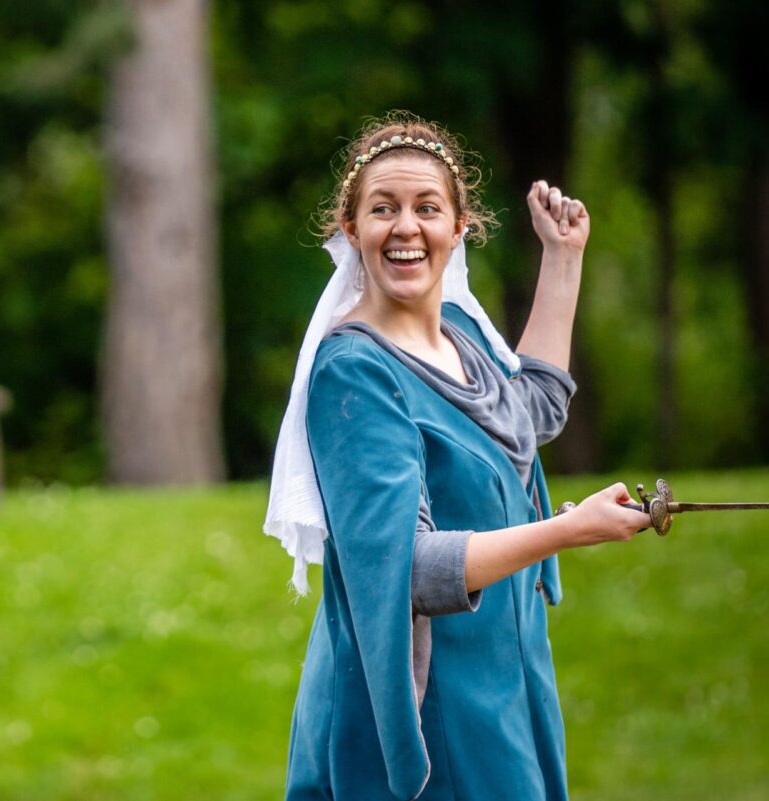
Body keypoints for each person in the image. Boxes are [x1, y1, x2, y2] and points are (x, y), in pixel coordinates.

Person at [264, 112, 651, 800]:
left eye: (427, 208)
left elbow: (527, 417)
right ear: (352, 230)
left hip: (504, 685)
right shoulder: (353, 373)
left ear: (459, 226)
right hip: (424, 708)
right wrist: (569, 530)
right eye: (383, 208)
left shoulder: (462, 334)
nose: (406, 226)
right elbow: (408, 569)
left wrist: (563, 260)